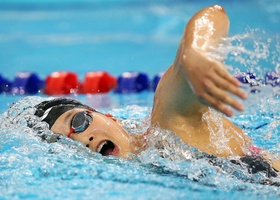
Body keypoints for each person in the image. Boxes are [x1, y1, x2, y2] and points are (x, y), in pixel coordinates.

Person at [33, 5, 279, 176]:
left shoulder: (169, 124)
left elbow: (213, 15)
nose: (80, 140)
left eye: (78, 121)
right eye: (63, 144)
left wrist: (193, 53)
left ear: (109, 116)